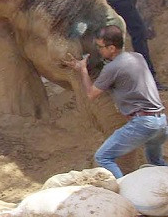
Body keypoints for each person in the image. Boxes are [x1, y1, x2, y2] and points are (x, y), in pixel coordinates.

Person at [67, 25, 167, 179]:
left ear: (112, 48)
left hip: (142, 123)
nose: (99, 50)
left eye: (101, 47)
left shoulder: (112, 68)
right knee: (156, 162)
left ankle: (123, 194)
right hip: (160, 122)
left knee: (103, 157)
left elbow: (91, 94)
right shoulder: (137, 57)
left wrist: (83, 70)